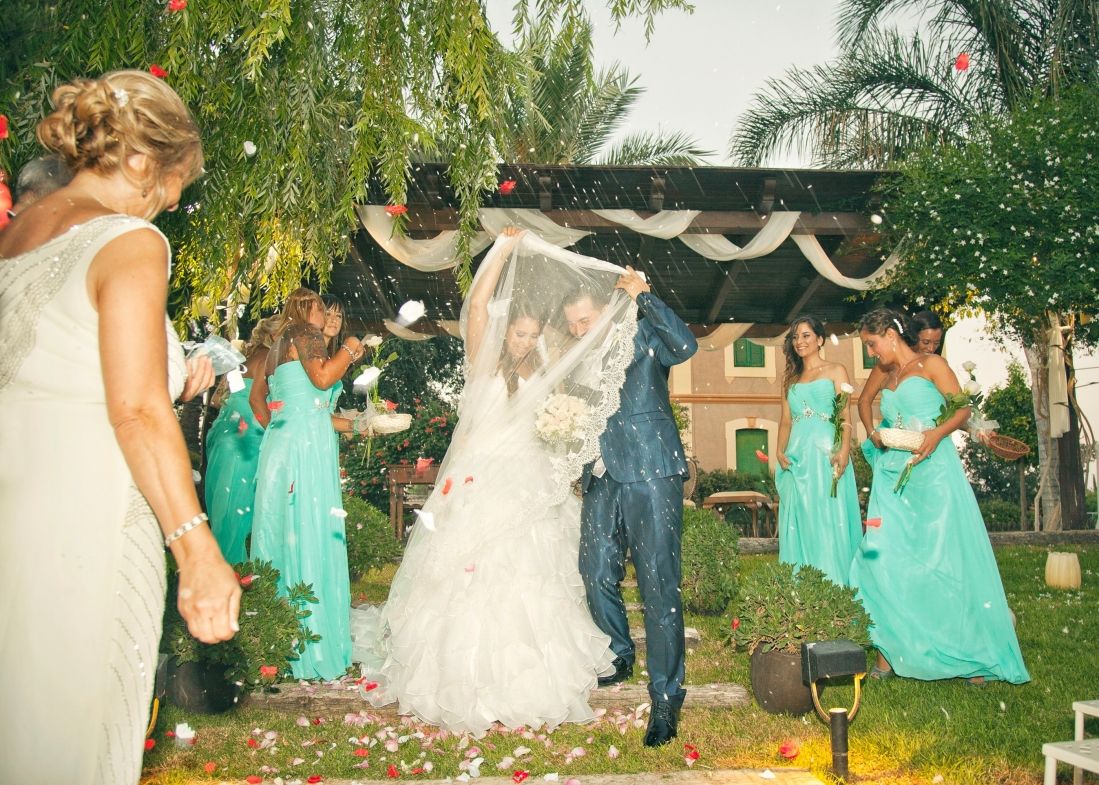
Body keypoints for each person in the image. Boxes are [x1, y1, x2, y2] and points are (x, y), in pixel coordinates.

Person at [0, 70, 240, 784]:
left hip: (16, 504)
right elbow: (134, 408)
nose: (173, 200)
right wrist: (196, 550)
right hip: (87, 514)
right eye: (174, 181)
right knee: (74, 727)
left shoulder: (16, 237)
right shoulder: (129, 240)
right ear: (141, 161)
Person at [353, 228, 639, 738]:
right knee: (470, 577)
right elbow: (479, 305)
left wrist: (626, 297)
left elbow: (587, 348)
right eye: (519, 334)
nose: (526, 342)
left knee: (537, 574)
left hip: (530, 479)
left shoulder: (546, 369)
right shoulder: (482, 360)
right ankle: (464, 677)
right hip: (480, 478)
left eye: (532, 335)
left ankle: (533, 674)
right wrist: (502, 251)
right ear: (506, 333)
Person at [851, 308, 1028, 685]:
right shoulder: (883, 371)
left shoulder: (932, 365)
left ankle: (972, 653)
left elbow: (963, 410)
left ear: (890, 335)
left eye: (872, 343)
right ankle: (889, 652)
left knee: (945, 560)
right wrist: (874, 434)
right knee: (883, 557)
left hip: (934, 474)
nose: (870, 352)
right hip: (892, 473)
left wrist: (935, 435)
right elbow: (863, 402)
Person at [570, 262, 697, 747]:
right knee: (594, 569)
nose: (580, 330)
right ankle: (619, 653)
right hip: (601, 476)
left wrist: (645, 295)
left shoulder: (644, 334)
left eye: (586, 319)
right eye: (573, 324)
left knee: (658, 583)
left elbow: (685, 346)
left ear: (606, 311)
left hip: (652, 471)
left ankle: (666, 695)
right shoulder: (576, 360)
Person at [249, 287, 367, 680]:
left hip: (281, 445)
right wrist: (350, 348)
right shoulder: (305, 332)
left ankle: (274, 640)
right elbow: (322, 378)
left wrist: (284, 427)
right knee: (310, 531)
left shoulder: (276, 345)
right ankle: (310, 646)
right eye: (320, 307)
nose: (325, 316)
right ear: (308, 309)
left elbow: (259, 400)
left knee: (281, 534)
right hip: (304, 451)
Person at [774, 315, 862, 586]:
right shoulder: (790, 379)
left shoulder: (836, 370)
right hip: (797, 458)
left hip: (826, 456)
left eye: (806, 335)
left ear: (820, 339)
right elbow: (786, 420)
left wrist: (844, 450)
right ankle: (802, 585)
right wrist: (779, 451)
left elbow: (845, 415)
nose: (799, 342)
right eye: (796, 337)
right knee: (801, 519)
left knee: (827, 517)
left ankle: (834, 582)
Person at [204, 316, 279, 564]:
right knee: (239, 510)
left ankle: (218, 564)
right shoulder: (269, 358)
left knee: (223, 507)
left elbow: (217, 400)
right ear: (273, 336)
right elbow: (257, 401)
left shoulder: (242, 359)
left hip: (223, 432)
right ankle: (233, 569)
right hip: (247, 438)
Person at [858, 309, 944, 442]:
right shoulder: (883, 368)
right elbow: (864, 400)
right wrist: (871, 431)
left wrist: (973, 428)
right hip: (893, 447)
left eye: (936, 343)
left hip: (931, 448)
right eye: (926, 342)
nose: (931, 348)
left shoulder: (935, 365)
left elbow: (956, 408)